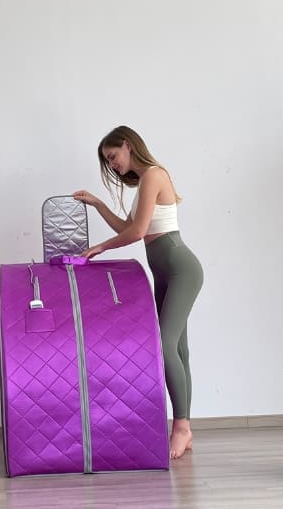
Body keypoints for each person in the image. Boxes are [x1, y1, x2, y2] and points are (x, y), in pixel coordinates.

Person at [73, 125, 203, 460]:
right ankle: (185, 430)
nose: (112, 164)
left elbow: (139, 231)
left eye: (113, 156)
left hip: (181, 268)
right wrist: (99, 204)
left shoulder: (154, 175)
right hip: (164, 271)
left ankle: (182, 426)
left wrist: (101, 247)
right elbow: (127, 228)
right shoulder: (144, 182)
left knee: (164, 342)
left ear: (128, 145)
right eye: (108, 161)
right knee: (179, 349)